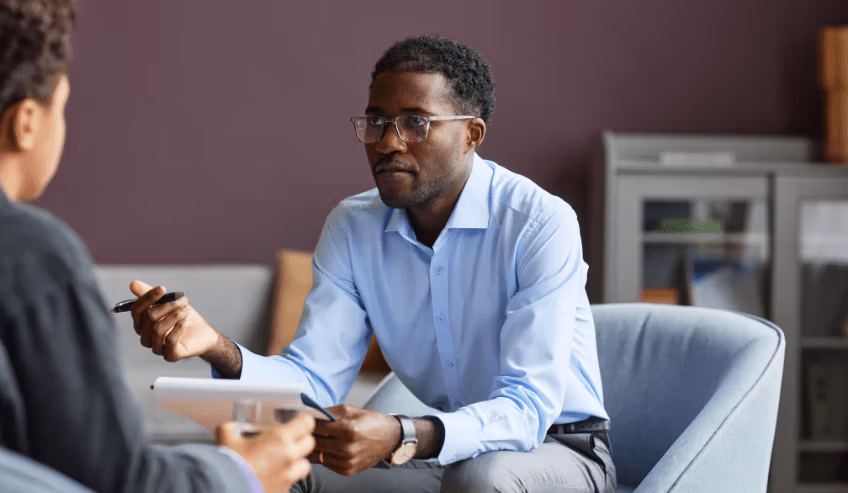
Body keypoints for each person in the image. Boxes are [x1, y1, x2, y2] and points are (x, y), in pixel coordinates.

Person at [134, 34, 617, 493]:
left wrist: (403, 433)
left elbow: (527, 409)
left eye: (415, 122)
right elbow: (314, 382)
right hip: (444, 456)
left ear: (472, 134)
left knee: (483, 479)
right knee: (277, 463)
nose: (387, 142)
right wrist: (217, 348)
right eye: (376, 121)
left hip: (560, 449)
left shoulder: (538, 222)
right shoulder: (353, 226)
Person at [0, 1, 316, 492]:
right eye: (61, 107)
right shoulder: (31, 253)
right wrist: (240, 473)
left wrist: (213, 345)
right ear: (26, 123)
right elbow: (121, 481)